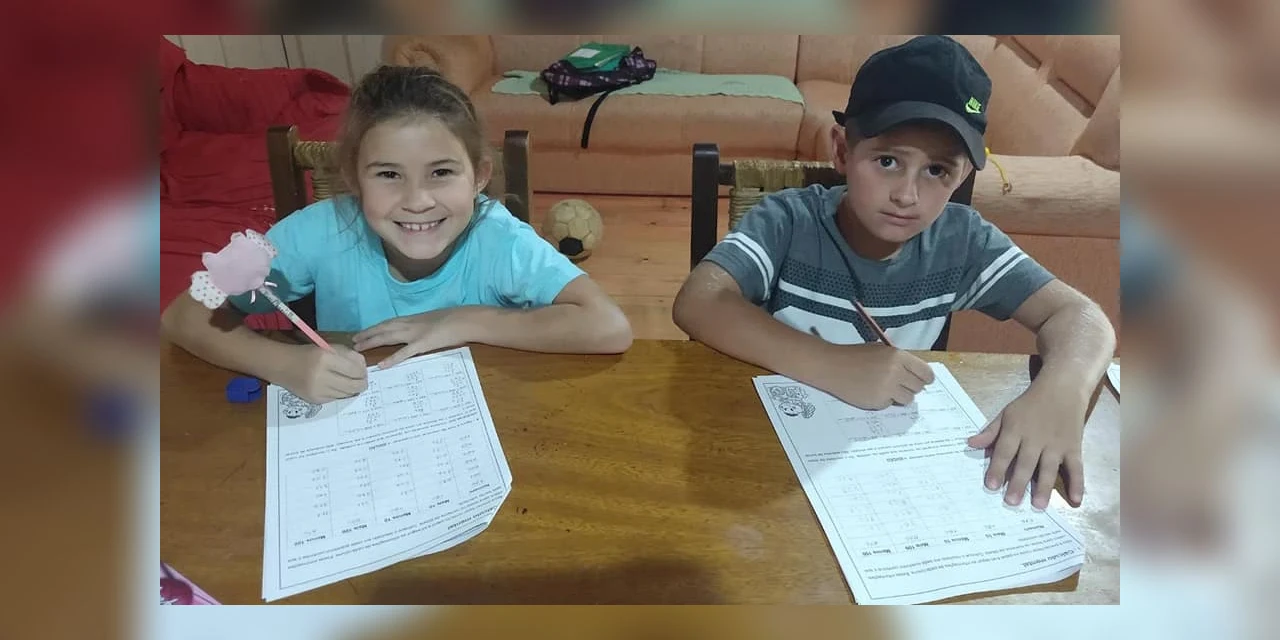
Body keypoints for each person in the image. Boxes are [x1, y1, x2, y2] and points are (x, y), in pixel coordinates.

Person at [672, 36, 1116, 510]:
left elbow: (1081, 318)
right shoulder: (788, 221)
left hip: (887, 472)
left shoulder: (961, 242)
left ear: (962, 177)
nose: (907, 195)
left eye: (937, 171)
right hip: (767, 453)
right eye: (887, 161)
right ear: (841, 151)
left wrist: (1061, 393)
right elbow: (699, 301)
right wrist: (833, 364)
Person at [161, 65, 633, 405]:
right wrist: (283, 365)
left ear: (480, 177)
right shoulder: (322, 230)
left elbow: (608, 326)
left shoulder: (499, 238)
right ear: (354, 178)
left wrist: (465, 320)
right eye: (389, 174)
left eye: (441, 172)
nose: (417, 201)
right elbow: (183, 316)